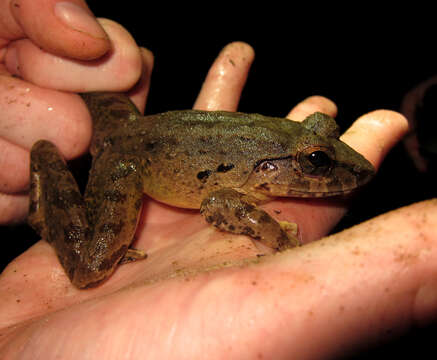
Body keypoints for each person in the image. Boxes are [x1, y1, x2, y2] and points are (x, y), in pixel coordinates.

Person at [0, 1, 436, 359]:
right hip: (130, 158)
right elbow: (216, 206)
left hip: (143, 130)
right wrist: (272, 232)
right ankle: (45, 193)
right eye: (318, 161)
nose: (338, 167)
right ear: (274, 166)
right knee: (91, 266)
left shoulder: (273, 155)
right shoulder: (248, 179)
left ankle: (44, 172)